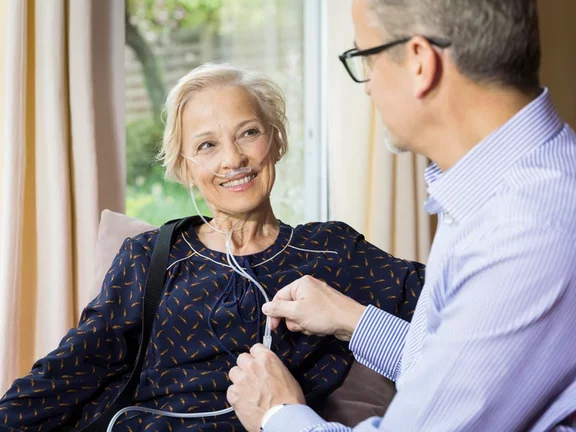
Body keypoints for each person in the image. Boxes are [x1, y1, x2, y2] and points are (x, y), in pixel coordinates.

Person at [0, 63, 425, 432]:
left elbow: (455, 309)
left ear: (275, 141)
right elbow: (70, 371)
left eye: (249, 133)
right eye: (207, 145)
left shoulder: (331, 250)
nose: (233, 159)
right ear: (185, 168)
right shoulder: (149, 257)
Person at [227, 0, 576, 431]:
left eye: (365, 59)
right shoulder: (493, 188)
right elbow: (462, 368)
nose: (368, 87)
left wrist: (277, 412)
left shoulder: (526, 230)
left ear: (418, 63)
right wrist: (352, 320)